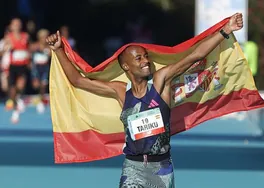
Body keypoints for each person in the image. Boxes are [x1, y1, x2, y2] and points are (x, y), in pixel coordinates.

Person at [46, 13, 243, 188]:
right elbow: (78, 80)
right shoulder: (121, 92)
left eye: (146, 57)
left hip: (162, 168)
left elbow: (195, 56)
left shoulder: (160, 82)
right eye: (138, 59)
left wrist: (225, 30)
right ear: (125, 66)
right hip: (133, 167)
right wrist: (58, 50)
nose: (146, 61)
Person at [5, 18, 30, 123]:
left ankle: (18, 104)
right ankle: (16, 105)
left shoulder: (26, 36)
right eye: (14, 24)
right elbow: (3, 51)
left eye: (18, 24)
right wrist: (7, 48)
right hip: (13, 66)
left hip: (23, 66)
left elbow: (29, 49)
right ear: (11, 26)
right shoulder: (8, 37)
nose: (16, 26)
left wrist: (29, 58)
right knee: (12, 90)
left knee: (20, 86)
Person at [30, 29, 51, 114]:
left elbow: (52, 55)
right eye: (42, 37)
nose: (44, 39)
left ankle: (41, 100)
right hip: (36, 67)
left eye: (45, 37)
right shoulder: (35, 46)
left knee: (43, 85)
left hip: (45, 67)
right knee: (36, 85)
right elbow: (29, 54)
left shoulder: (49, 47)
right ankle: (39, 97)